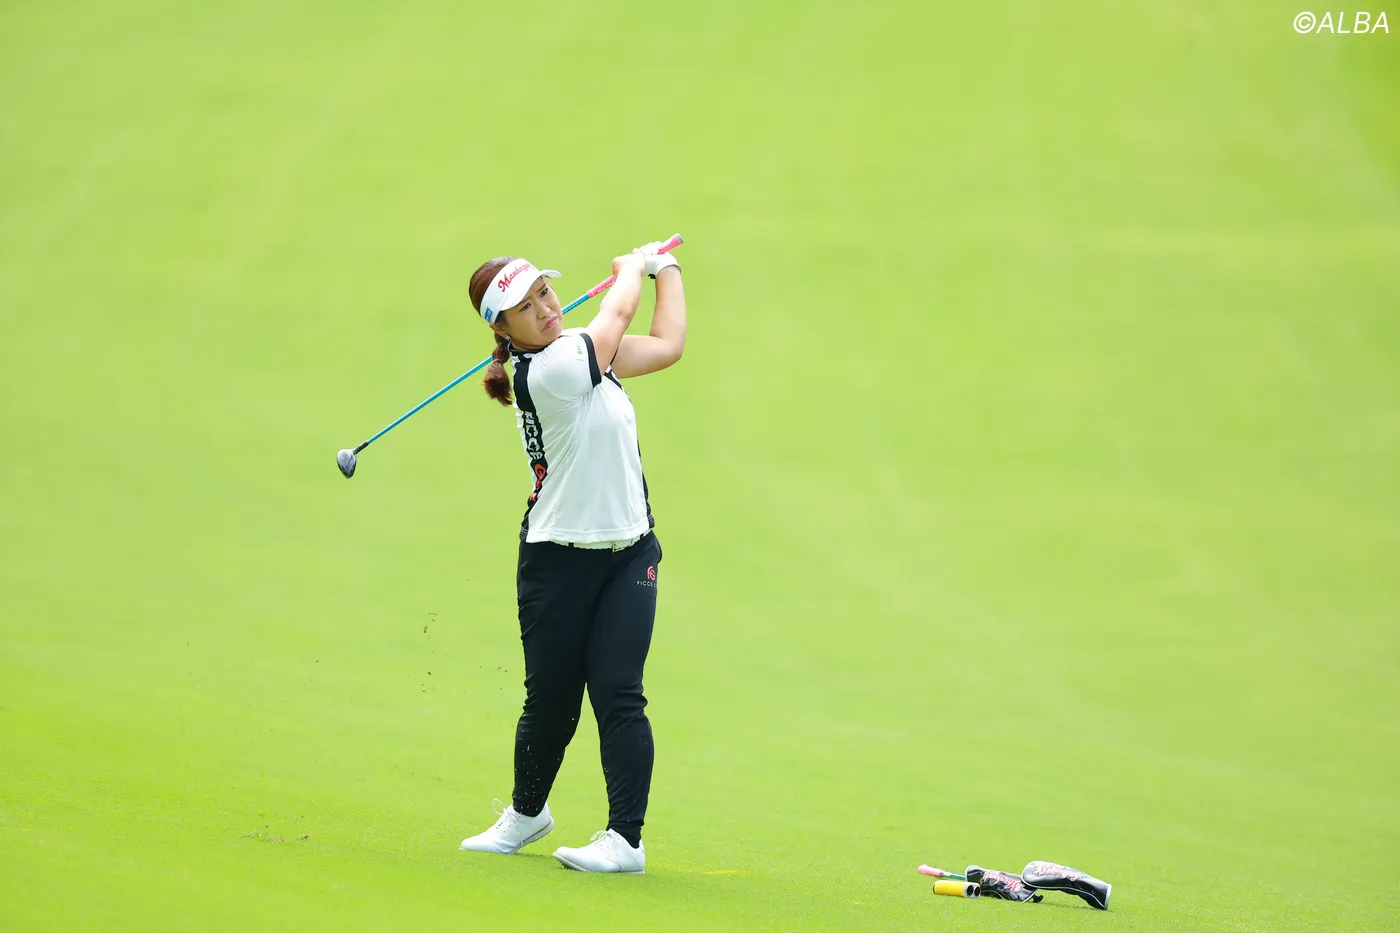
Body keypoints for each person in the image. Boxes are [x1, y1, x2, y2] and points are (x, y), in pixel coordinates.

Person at [457, 241, 686, 873]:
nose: (545, 308)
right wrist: (631, 271)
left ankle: (625, 840)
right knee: (551, 702)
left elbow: (666, 344)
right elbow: (617, 316)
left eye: (545, 293)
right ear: (504, 330)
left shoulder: (581, 351)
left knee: (619, 693)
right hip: (557, 559)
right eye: (526, 308)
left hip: (629, 553)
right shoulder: (550, 371)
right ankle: (527, 814)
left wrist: (665, 269)